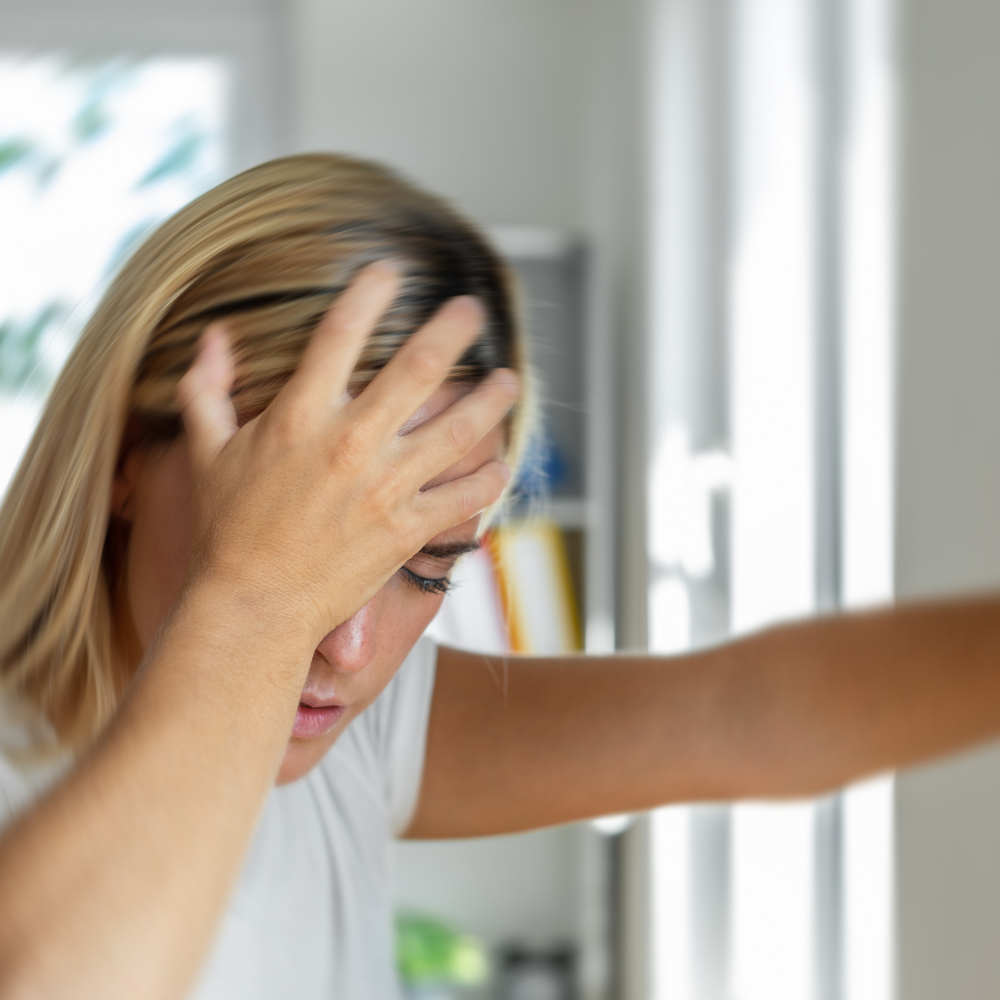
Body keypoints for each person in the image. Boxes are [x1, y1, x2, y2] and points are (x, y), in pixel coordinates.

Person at [1, 153, 999, 1000]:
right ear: (129, 458)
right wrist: (252, 595)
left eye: (423, 570)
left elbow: (752, 712)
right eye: (300, 541)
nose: (344, 646)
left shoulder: (352, 736)